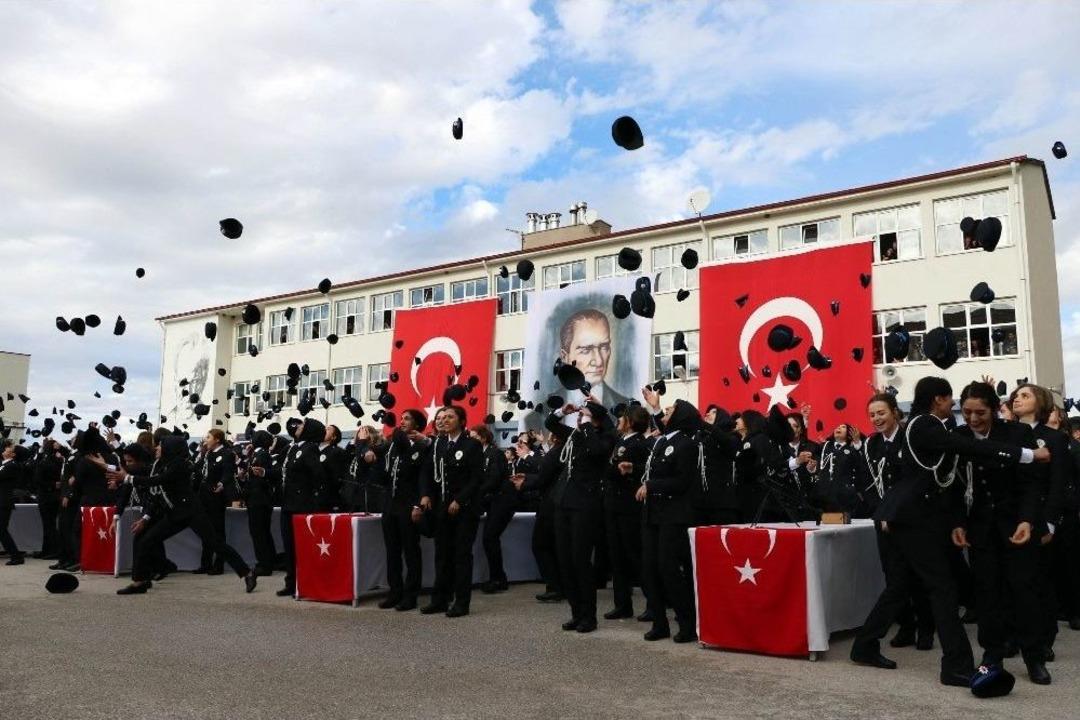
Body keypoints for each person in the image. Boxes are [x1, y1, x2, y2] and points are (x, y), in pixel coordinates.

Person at [851, 376, 1047, 687]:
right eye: (951, 401)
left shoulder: (916, 425)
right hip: (916, 519)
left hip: (910, 515)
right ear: (938, 400)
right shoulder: (927, 424)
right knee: (943, 589)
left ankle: (864, 644)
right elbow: (964, 447)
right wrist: (1027, 453)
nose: (957, 409)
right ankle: (955, 665)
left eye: (977, 411)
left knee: (900, 585)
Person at [951, 381, 1049, 685]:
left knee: (1023, 590)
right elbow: (952, 486)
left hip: (1014, 525)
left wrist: (1027, 521)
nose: (973, 419)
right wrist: (957, 522)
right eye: (966, 412)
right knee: (987, 593)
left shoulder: (1017, 434)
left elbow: (1032, 484)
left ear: (994, 409)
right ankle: (992, 654)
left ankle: (1034, 657)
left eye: (980, 412)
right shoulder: (958, 437)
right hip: (980, 529)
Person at [108, 436, 256, 595]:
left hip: (192, 512)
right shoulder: (163, 464)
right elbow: (148, 479)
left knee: (215, 543)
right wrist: (145, 516)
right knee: (146, 540)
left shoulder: (179, 465)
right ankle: (140, 581)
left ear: (170, 448)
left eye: (160, 446)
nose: (157, 448)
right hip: (175, 513)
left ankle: (247, 573)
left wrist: (128, 478)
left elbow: (157, 480)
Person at [855, 393, 933, 651]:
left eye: (882, 413)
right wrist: (881, 513)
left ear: (895, 413)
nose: (877, 419)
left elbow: (913, 480)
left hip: (910, 520)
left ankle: (926, 630)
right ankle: (906, 627)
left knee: (918, 576)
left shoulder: (908, 438)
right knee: (893, 576)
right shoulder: (871, 445)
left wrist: (894, 513)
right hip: (884, 521)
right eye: (873, 415)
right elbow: (868, 485)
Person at [1008, 383, 1072, 663]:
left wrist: (1050, 522)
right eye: (1015, 396)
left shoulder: (1053, 438)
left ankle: (1044, 639)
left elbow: (1058, 483)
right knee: (1012, 582)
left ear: (1040, 401)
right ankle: (1015, 637)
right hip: (1011, 516)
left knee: (1041, 582)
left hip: (1040, 518)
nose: (1017, 399)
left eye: (1025, 395)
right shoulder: (1006, 434)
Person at [545, 395, 616, 633]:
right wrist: (560, 412)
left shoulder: (604, 437)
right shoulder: (575, 434)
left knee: (580, 561)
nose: (579, 418)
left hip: (585, 505)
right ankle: (576, 612)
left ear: (594, 419)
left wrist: (587, 423)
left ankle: (589, 616)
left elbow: (597, 451)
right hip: (563, 501)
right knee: (565, 560)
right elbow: (551, 425)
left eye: (584, 415)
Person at [636, 399, 701, 643]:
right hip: (653, 513)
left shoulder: (686, 444)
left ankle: (687, 623)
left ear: (680, 416)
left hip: (673, 515)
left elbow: (682, 482)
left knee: (669, 570)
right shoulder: (662, 441)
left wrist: (651, 485)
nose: (666, 412)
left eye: (671, 409)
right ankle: (659, 623)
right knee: (649, 569)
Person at [420, 405, 484, 617]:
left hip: (464, 509)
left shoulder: (472, 445)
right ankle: (440, 598)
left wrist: (460, 499)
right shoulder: (439, 445)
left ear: (462, 421)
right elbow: (429, 473)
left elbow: (476, 479)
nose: (445, 420)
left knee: (461, 555)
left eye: (450, 417)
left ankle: (461, 602)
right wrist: (426, 494)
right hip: (442, 508)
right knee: (442, 555)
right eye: (443, 417)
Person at [601, 405, 650, 620]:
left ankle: (653, 603)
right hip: (614, 504)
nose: (619, 420)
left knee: (635, 556)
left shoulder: (640, 443)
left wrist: (621, 470)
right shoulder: (621, 441)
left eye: (623, 417)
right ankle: (622, 604)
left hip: (629, 506)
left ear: (630, 421)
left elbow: (644, 469)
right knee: (616, 556)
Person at [380, 409, 429, 611]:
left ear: (417, 424)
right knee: (392, 551)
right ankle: (395, 591)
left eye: (407, 418)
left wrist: (418, 504)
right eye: (401, 418)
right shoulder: (393, 445)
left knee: (411, 552)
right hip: (391, 505)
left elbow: (423, 478)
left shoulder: (423, 445)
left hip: (408, 505)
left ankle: (411, 595)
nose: (402, 421)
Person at [277, 418, 325, 597]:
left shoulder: (310, 448)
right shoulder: (294, 448)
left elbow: (318, 474)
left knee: (302, 547)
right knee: (289, 546)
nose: (298, 427)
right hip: (287, 502)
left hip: (301, 503)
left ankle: (303, 582)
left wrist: (306, 491)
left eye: (303, 425)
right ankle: (291, 582)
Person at [517, 432, 563, 603]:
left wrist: (526, 480)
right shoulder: (558, 450)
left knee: (542, 545)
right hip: (552, 503)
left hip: (550, 505)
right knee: (552, 547)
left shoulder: (557, 451)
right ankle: (559, 586)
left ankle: (555, 586)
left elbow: (545, 474)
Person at [557, 309, 629, 408]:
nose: (599, 361)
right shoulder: (535, 417)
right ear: (565, 356)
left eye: (604, 347)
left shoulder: (627, 408)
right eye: (586, 350)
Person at [475, 424, 516, 594]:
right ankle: (499, 577)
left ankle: (497, 578)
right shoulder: (480, 455)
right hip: (493, 501)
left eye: (474, 436)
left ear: (483, 438)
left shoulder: (495, 454)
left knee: (490, 537)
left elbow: (495, 478)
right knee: (490, 539)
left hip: (503, 500)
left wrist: (475, 492)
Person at [195, 429, 235, 575]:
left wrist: (222, 484)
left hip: (216, 497)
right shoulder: (207, 454)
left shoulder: (226, 454)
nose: (206, 440)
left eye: (208, 437)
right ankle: (205, 563)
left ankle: (219, 564)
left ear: (217, 439)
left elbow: (228, 473)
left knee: (218, 531)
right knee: (206, 530)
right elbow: (199, 470)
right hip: (204, 496)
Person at [244, 430, 279, 576]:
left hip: (259, 499)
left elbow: (262, 477)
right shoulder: (257, 454)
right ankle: (269, 561)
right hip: (258, 498)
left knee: (259, 532)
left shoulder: (261, 454)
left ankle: (264, 564)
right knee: (262, 532)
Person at [32, 439, 65, 560]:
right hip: (54, 495)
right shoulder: (58, 460)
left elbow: (37, 479)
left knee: (48, 525)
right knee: (50, 525)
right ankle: (47, 549)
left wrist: (50, 485)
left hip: (46, 496)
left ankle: (50, 550)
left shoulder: (45, 461)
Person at [0, 440, 27, 565]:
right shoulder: (4, 464)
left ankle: (16, 555)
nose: (5, 450)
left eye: (8, 449)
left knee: (2, 529)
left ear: (12, 454)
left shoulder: (12, 466)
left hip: (4, 501)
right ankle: (15, 554)